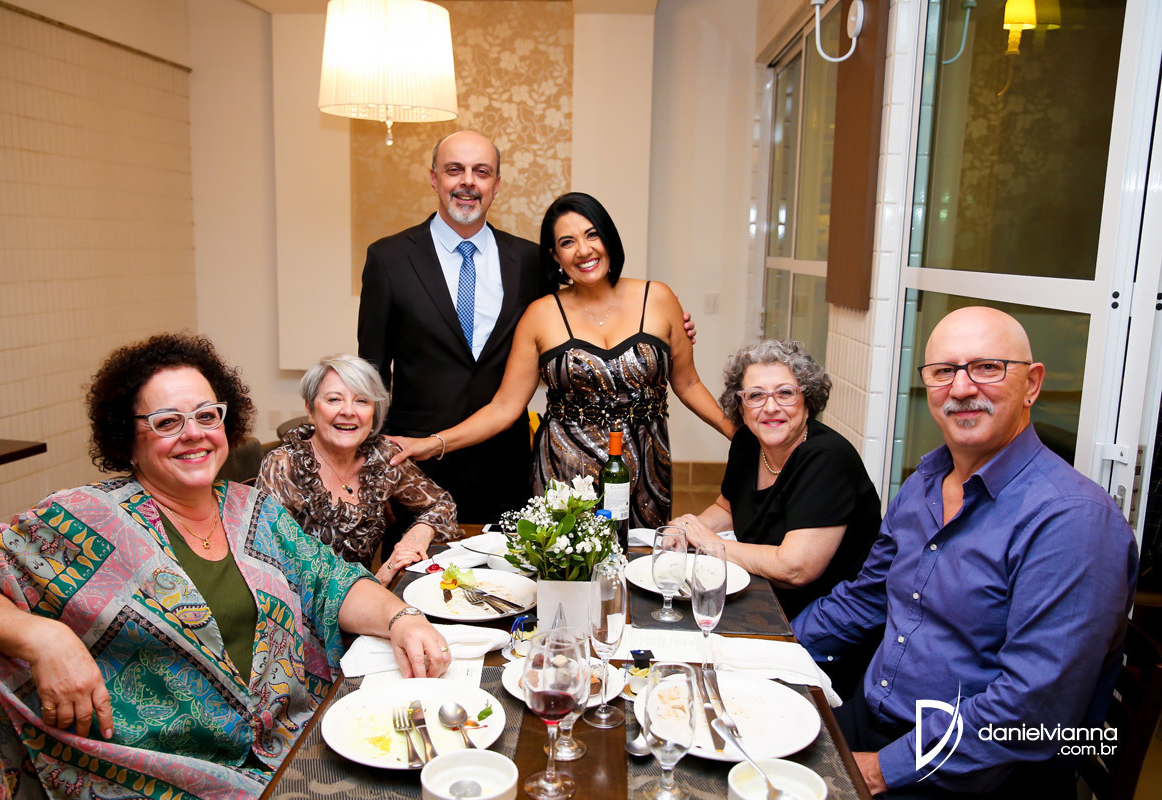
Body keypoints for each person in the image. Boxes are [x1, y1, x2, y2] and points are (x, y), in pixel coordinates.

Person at [0, 334, 448, 800]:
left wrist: (401, 618)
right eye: (167, 421)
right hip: (164, 777)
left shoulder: (252, 510)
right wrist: (42, 636)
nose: (193, 433)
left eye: (206, 415)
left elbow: (329, 579)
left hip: (291, 742)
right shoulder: (81, 518)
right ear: (127, 437)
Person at [793, 307, 1139, 798]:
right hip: (876, 722)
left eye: (987, 367)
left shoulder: (1073, 521)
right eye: (943, 371)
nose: (960, 388)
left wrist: (879, 771)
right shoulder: (925, 483)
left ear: (1032, 384)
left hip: (980, 772)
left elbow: (1030, 709)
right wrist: (770, 651)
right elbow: (865, 599)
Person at [391, 192, 734, 528]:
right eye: (568, 242)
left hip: (645, 466)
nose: (583, 250)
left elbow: (688, 383)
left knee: (641, 558)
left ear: (609, 238)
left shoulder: (658, 298)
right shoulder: (540, 315)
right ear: (555, 256)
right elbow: (504, 408)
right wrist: (433, 443)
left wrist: (736, 432)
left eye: (592, 234)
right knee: (567, 561)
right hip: (566, 471)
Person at [357, 130, 542, 525]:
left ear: (496, 184)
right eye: (454, 170)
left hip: (505, 464)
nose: (468, 182)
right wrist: (375, 465)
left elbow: (567, 327)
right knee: (413, 563)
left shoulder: (530, 261)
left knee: (507, 565)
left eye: (481, 172)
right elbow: (372, 372)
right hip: (415, 463)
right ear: (434, 178)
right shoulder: (389, 258)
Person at [669, 338, 880, 622]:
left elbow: (795, 569)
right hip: (768, 594)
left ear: (808, 401)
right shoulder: (747, 442)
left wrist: (709, 543)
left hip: (831, 611)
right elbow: (727, 508)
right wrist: (685, 531)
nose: (770, 407)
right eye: (756, 395)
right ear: (741, 406)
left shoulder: (827, 459)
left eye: (785, 393)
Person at [257, 354, 460, 585]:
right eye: (334, 399)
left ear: (374, 412)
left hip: (369, 595)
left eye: (362, 400)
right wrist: (380, 578)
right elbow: (272, 561)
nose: (348, 411)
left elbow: (442, 504)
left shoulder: (382, 456)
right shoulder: (283, 465)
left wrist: (417, 535)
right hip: (301, 602)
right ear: (310, 409)